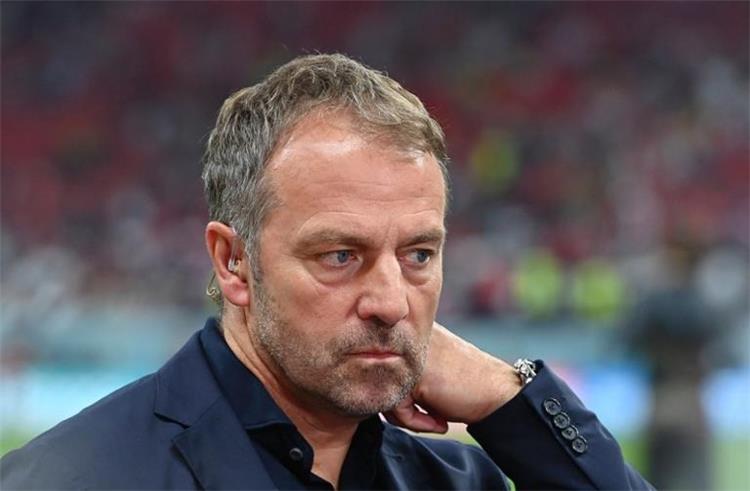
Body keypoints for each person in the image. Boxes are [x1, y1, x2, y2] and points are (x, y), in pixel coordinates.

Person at [1, 53, 653, 490]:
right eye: (340, 256)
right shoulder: (71, 478)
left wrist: (504, 397)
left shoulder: (456, 481)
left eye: (419, 255)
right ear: (233, 263)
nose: (391, 302)